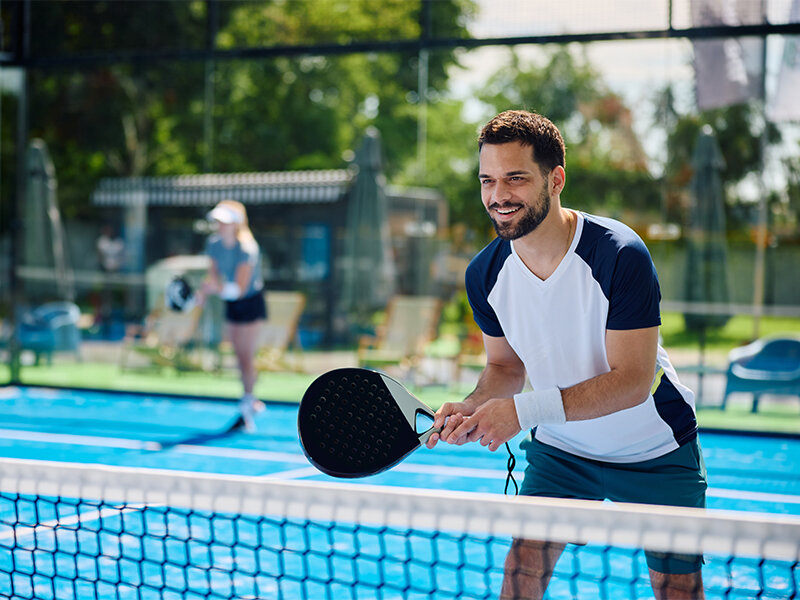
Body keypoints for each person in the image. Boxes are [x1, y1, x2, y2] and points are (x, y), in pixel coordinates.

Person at [425, 110, 707, 600]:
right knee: (521, 574)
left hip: (655, 450)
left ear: (555, 180)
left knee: (677, 589)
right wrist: (474, 406)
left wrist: (522, 412)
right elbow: (505, 367)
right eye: (487, 180)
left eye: (516, 178)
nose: (498, 195)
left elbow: (632, 380)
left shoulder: (619, 252)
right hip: (562, 450)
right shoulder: (483, 275)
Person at [200, 200, 267, 431]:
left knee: (247, 355)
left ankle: (248, 402)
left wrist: (212, 289)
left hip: (250, 303)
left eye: (224, 222)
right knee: (239, 355)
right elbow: (213, 277)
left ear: (236, 223)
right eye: (218, 221)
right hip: (231, 304)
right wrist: (202, 294)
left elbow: (238, 289)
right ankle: (250, 398)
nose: (219, 225)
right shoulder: (214, 244)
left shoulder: (247, 248)